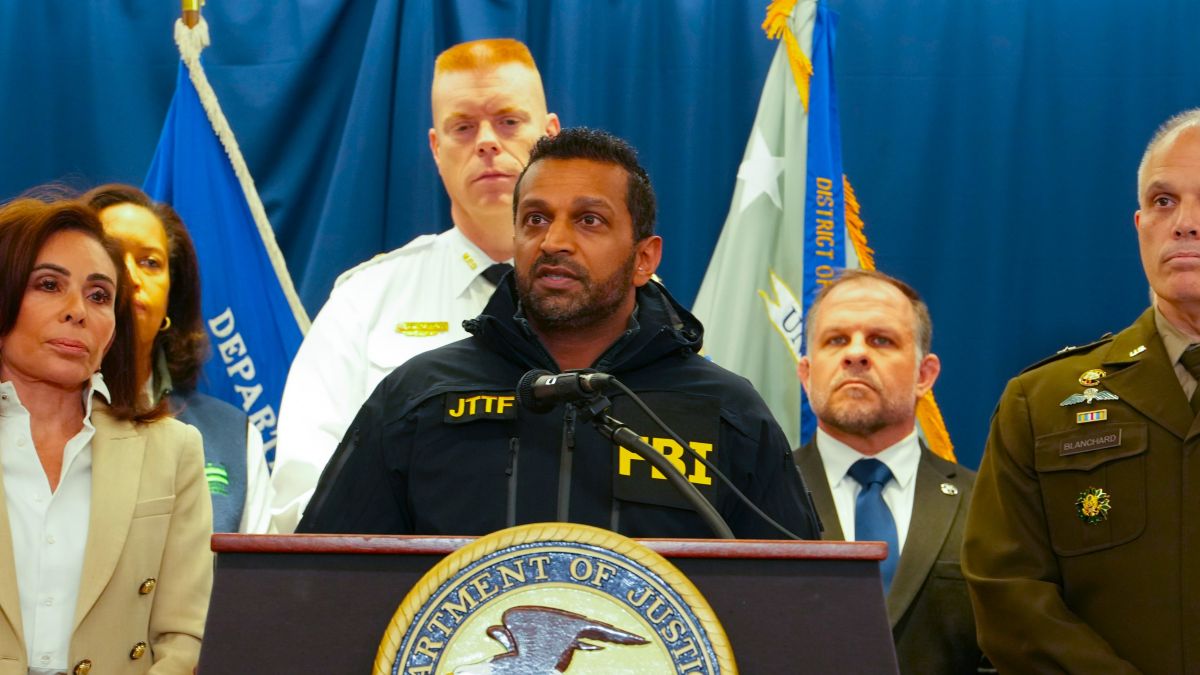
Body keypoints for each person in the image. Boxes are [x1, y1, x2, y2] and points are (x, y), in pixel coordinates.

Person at [297, 128, 819, 539]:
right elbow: (324, 585)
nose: (554, 242)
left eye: (589, 220)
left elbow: (798, 603)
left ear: (644, 259)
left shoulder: (725, 411)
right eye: (535, 219)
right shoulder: (420, 397)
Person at [271, 38, 562, 532]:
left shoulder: (616, 300)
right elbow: (301, 500)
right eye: (463, 127)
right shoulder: (364, 303)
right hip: (403, 592)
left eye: (509, 122)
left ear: (551, 137)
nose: (487, 142)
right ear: (436, 147)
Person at [963, 108, 1200, 672]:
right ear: (1139, 224)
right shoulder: (1040, 403)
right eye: (1164, 201)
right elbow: (1009, 596)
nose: (1185, 223)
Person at [0, 195, 212, 674]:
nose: (77, 311)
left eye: (99, 296)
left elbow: (186, 637)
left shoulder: (172, 451)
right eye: (49, 285)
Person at [793, 269, 984, 674]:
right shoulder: (755, 494)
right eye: (836, 340)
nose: (856, 354)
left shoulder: (987, 503)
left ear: (924, 375)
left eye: (881, 340)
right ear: (807, 375)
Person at [84, 184, 273, 533]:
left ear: (172, 297)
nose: (131, 277)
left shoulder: (232, 435)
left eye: (150, 262)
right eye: (110, 256)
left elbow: (258, 582)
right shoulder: (27, 416)